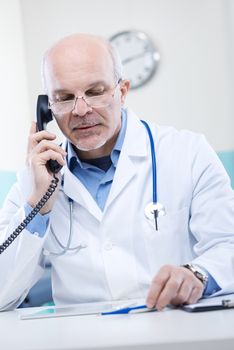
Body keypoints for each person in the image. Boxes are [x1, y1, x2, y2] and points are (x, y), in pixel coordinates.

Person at [0, 33, 234, 312]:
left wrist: (198, 274)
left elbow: (228, 245)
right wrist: (38, 207)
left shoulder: (188, 153)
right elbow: (3, 295)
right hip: (84, 339)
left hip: (174, 332)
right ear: (46, 108)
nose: (81, 109)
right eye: (63, 98)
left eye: (95, 92)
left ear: (122, 91)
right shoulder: (35, 181)